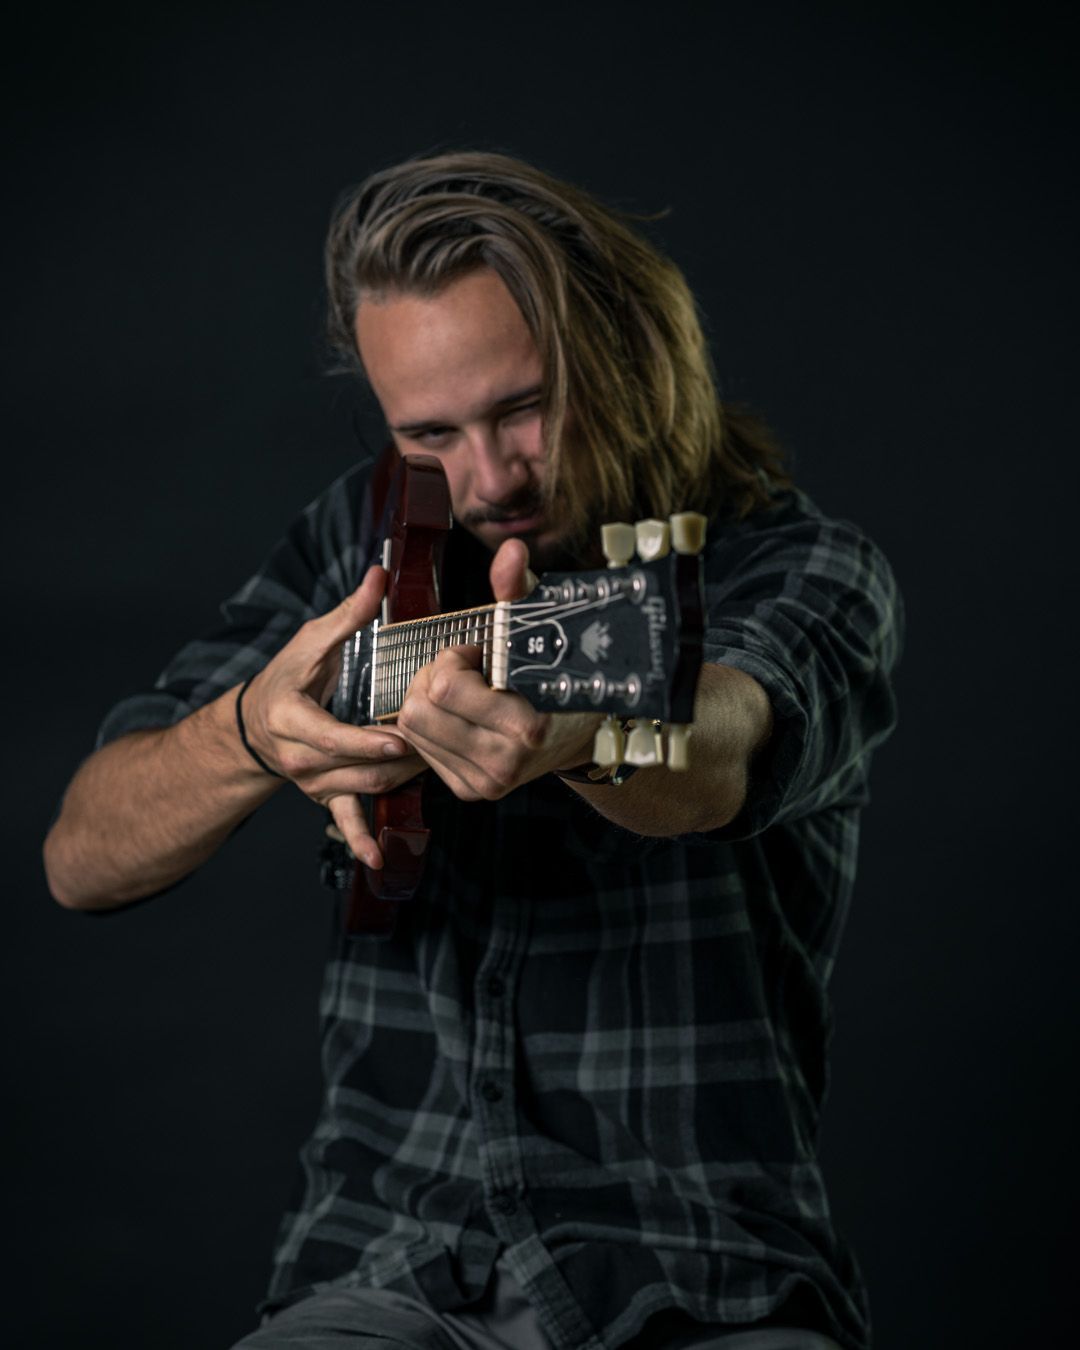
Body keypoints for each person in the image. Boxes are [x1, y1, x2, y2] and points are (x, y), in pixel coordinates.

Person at [44, 153, 902, 1350]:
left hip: (708, 1278)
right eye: (431, 432)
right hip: (383, 1266)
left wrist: (573, 733)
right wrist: (251, 733)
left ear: (627, 349)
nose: (490, 478)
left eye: (523, 409)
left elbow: (722, 747)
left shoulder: (805, 566)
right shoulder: (360, 536)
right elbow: (80, 858)